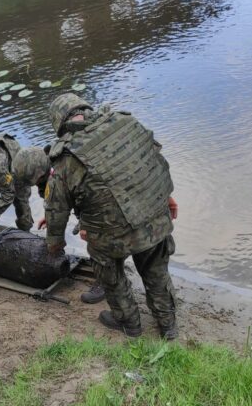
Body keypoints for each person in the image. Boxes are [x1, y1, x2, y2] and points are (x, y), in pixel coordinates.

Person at [44, 93, 179, 339]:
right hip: (153, 218)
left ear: (59, 123)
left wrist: (54, 244)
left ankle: (129, 322)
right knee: (156, 271)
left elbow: (56, 207)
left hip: (110, 235)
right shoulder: (124, 123)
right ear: (85, 109)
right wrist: (167, 197)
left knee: (111, 274)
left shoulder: (65, 157)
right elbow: (155, 160)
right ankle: (168, 325)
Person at [15, 147, 108, 305]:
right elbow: (55, 199)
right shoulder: (46, 165)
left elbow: (70, 202)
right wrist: (49, 215)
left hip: (102, 199)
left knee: (95, 238)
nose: (36, 184)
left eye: (35, 181)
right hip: (86, 197)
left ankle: (105, 282)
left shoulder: (62, 169)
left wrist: (54, 247)